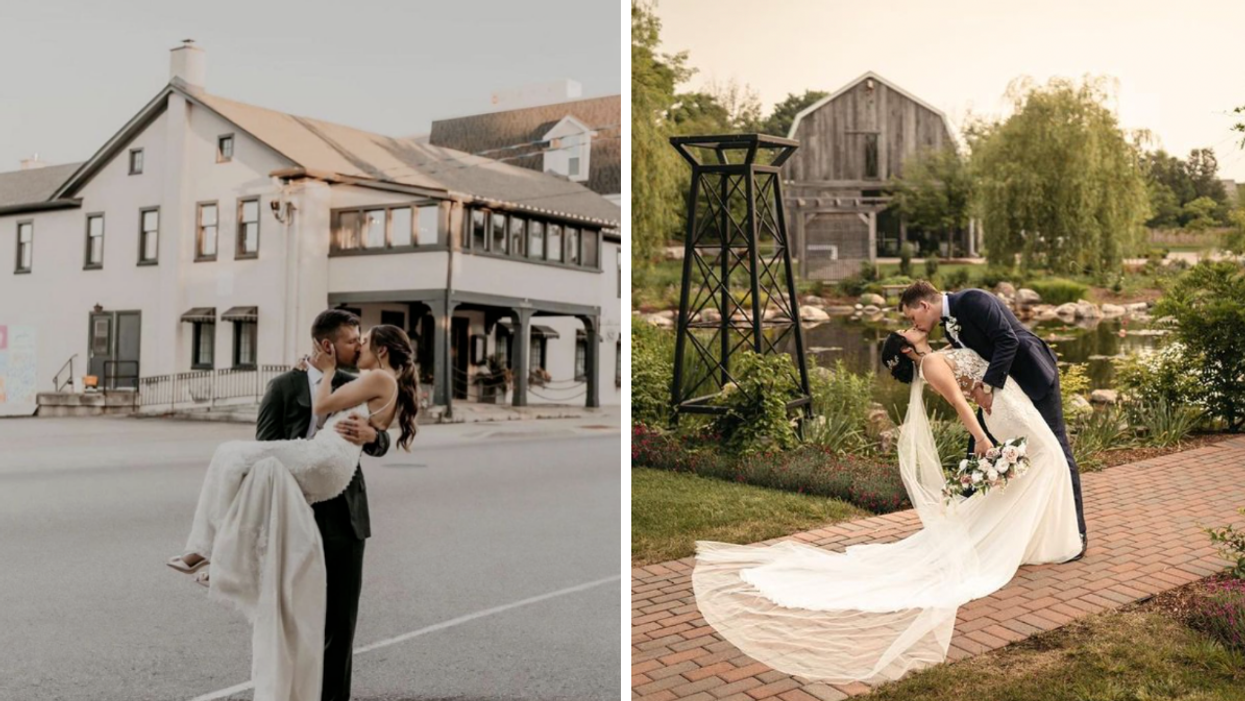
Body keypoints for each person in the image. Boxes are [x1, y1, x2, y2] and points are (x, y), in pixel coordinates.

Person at [691, 290, 1083, 684]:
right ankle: (1057, 536)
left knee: (1049, 459)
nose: (911, 326)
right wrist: (981, 437)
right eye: (907, 329)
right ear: (908, 350)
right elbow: (962, 401)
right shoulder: (932, 361)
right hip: (999, 402)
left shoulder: (952, 328)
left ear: (924, 306)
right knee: (1046, 460)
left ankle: (1050, 534)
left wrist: (983, 397)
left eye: (910, 320)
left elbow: (998, 345)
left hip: (1019, 386)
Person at [168, 310, 420, 700]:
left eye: (362, 340)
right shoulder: (284, 386)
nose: (357, 345)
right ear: (327, 345)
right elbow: (263, 449)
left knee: (339, 627)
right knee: (288, 620)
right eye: (352, 339)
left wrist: (372, 435)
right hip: (290, 515)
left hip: (343, 520)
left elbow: (383, 434)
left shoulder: (361, 380)